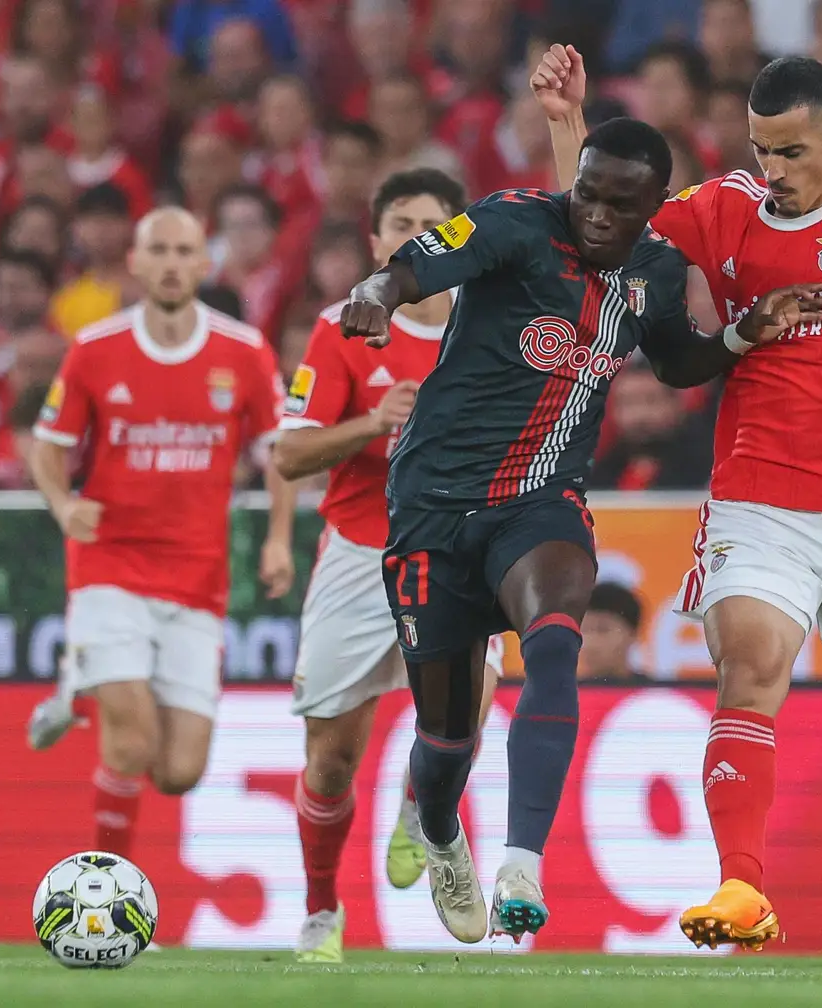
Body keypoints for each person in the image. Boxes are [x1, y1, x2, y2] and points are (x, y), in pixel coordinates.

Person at [533, 46, 822, 964]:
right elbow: (604, 224)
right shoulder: (728, 206)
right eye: (760, 150)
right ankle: (742, 883)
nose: (773, 173)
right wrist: (566, 124)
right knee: (748, 668)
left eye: (790, 153)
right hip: (759, 498)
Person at [337, 117, 822, 944]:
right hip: (432, 506)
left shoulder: (656, 269)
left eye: (619, 205)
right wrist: (373, 297)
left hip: (542, 502)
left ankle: (521, 863)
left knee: (557, 637)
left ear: (652, 210)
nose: (597, 214)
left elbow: (676, 362)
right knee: (446, 737)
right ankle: (439, 828)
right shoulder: (512, 221)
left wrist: (744, 334)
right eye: (588, 194)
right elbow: (415, 266)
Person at [270, 168, 504, 963]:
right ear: (374, 240)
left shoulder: (491, 320)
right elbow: (290, 451)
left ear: (455, 236)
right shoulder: (346, 325)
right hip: (359, 551)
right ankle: (320, 910)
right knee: (331, 759)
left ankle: (418, 806)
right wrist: (373, 421)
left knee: (474, 698)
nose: (410, 236)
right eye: (396, 221)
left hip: (457, 552)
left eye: (428, 222)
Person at [23, 207, 289, 865]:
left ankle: (72, 687)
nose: (171, 263)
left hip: (199, 579)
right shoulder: (94, 350)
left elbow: (279, 454)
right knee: (132, 742)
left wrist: (280, 538)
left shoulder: (244, 352)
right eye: (159, 251)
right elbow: (47, 447)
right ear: (136, 264)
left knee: (178, 770)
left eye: (184, 251)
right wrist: (63, 506)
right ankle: (106, 896)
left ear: (204, 264)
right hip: (109, 566)